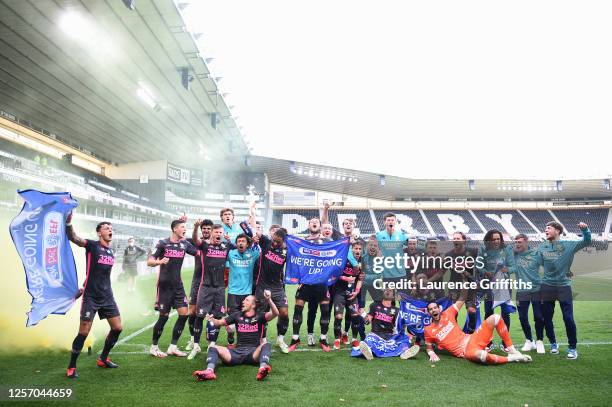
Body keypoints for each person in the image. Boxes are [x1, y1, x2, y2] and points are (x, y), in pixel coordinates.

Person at [65, 212, 122, 378]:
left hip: (107, 296)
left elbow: (97, 273)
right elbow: (73, 237)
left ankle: (103, 358)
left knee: (117, 328)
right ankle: (72, 367)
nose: (110, 230)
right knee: (84, 332)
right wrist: (69, 223)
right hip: (91, 297)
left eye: (111, 228)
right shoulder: (92, 245)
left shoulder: (111, 252)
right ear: (99, 233)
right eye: (106, 228)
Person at [192, 290, 279, 381]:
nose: (243, 302)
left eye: (246, 300)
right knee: (213, 348)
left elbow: (275, 313)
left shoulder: (260, 316)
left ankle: (263, 368)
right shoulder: (237, 315)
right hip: (237, 353)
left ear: (253, 305)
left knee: (266, 344)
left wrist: (269, 300)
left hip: (253, 354)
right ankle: (209, 371)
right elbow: (219, 322)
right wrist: (212, 319)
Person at [424, 294, 532, 365]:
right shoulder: (428, 330)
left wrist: (466, 281)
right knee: (482, 355)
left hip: (473, 338)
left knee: (496, 318)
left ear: (439, 309)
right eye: (430, 309)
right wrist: (431, 353)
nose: (433, 310)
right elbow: (429, 347)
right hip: (466, 351)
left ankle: (512, 350)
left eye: (435, 308)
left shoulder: (448, 313)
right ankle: (512, 358)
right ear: (429, 313)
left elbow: (462, 297)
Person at [148, 218, 198, 358]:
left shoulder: (185, 244)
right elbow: (149, 261)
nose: (184, 229)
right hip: (164, 286)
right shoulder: (163, 243)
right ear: (174, 229)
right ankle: (154, 347)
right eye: (182, 227)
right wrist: (160, 261)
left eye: (185, 227)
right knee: (163, 317)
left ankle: (173, 347)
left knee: (184, 314)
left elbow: (198, 251)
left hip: (178, 285)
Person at [539, 221, 591, 359]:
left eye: (548, 228)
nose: (546, 230)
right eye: (545, 228)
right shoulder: (543, 247)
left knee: (568, 318)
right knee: (547, 318)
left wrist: (585, 230)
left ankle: (572, 348)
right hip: (547, 287)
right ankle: (553, 343)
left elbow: (587, 241)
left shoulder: (569, 245)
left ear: (557, 231)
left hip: (563, 286)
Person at [289, 217, 334, 352]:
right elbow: (297, 261)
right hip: (306, 282)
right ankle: (295, 338)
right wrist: (298, 279)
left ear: (320, 226)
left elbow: (333, 260)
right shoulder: (302, 242)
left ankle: (323, 339)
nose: (314, 223)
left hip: (321, 282)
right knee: (298, 309)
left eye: (317, 222)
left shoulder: (327, 241)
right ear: (308, 225)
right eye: (312, 222)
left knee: (325, 310)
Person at [189, 223, 235, 356]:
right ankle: (196, 345)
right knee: (200, 316)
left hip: (220, 288)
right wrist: (196, 227)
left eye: (220, 233)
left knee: (218, 316)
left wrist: (230, 241)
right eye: (216, 232)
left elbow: (240, 247)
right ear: (212, 233)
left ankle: (212, 345)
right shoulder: (205, 245)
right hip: (205, 287)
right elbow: (195, 240)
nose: (218, 235)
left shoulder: (226, 246)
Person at [506, 234, 550, 354]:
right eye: (516, 242)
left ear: (526, 242)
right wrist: (513, 248)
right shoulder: (514, 255)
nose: (517, 244)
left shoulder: (536, 254)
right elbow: (506, 250)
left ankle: (540, 341)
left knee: (538, 316)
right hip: (522, 291)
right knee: (522, 317)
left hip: (537, 289)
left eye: (520, 242)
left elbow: (548, 265)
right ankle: (529, 340)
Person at [251, 225, 291, 353]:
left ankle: (280, 339)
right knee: (261, 314)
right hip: (262, 285)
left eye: (277, 242)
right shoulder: (266, 243)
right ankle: (262, 340)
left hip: (277, 287)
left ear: (283, 241)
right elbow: (255, 230)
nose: (274, 243)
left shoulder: (287, 251)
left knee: (284, 313)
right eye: (273, 239)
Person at [357, 289, 420, 360]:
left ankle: (405, 352)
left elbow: (399, 326)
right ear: (383, 293)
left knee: (404, 339)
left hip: (389, 336)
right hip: (375, 335)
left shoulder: (396, 310)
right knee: (369, 339)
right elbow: (368, 321)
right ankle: (369, 352)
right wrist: (363, 315)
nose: (387, 291)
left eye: (390, 291)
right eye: (386, 290)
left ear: (393, 296)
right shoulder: (374, 305)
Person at [478, 229, 513, 352]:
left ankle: (505, 343)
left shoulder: (507, 249)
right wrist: (485, 272)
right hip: (489, 286)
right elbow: (479, 265)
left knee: (505, 313)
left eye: (498, 239)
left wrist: (506, 269)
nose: (496, 241)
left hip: (504, 285)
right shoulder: (483, 250)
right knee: (488, 313)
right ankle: (488, 342)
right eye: (493, 239)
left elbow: (513, 266)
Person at [225, 234, 260, 350]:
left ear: (247, 244)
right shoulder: (230, 253)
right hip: (233, 293)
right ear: (236, 243)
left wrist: (256, 241)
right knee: (231, 325)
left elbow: (261, 249)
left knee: (245, 321)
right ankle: (230, 338)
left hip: (247, 294)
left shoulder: (252, 254)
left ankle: (242, 342)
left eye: (243, 241)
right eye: (238, 241)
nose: (240, 243)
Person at [186, 219, 213, 352]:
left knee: (210, 314)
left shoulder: (217, 243)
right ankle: (193, 339)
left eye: (209, 228)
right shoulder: (196, 241)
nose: (206, 230)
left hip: (212, 283)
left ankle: (210, 342)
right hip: (197, 281)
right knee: (192, 313)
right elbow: (181, 238)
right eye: (204, 228)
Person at [444, 232, 479, 333]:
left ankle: (471, 332)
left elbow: (478, 265)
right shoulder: (448, 255)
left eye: (458, 238)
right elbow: (442, 271)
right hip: (454, 286)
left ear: (464, 240)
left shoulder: (473, 252)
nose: (455, 240)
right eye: (454, 238)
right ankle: (454, 333)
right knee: (453, 312)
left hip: (469, 286)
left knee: (472, 310)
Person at [333, 241, 365, 350]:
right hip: (340, 291)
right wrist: (344, 278)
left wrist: (356, 291)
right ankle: (337, 339)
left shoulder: (363, 262)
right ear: (351, 249)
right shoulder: (343, 259)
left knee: (355, 315)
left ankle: (354, 339)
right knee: (338, 316)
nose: (358, 251)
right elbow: (334, 274)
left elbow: (360, 279)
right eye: (356, 248)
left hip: (352, 294)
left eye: (360, 249)